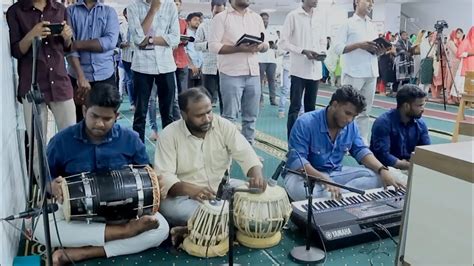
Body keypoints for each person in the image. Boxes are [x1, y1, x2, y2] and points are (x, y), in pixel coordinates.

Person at [34, 83, 169, 266]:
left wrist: (156, 182)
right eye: (94, 116)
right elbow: (46, 181)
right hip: (79, 216)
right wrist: (53, 186)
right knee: (40, 229)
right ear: (84, 110)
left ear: (117, 117)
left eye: (107, 118)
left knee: (161, 229)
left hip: (124, 213)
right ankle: (125, 234)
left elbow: (146, 174)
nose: (99, 123)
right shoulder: (60, 142)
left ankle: (83, 252)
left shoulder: (130, 139)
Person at [155, 87, 267, 226]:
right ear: (184, 115)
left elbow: (246, 153)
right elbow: (164, 177)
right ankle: (222, 219)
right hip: (184, 198)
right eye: (199, 115)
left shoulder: (223, 125)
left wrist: (256, 176)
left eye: (209, 112)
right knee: (173, 209)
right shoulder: (169, 135)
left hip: (222, 190)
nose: (207, 119)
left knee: (259, 202)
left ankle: (200, 225)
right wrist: (190, 189)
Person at [284, 86, 405, 201]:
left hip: (335, 174)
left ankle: (338, 195)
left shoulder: (350, 125)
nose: (350, 120)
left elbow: (361, 150)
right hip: (302, 177)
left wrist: (382, 170)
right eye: (347, 113)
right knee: (307, 193)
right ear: (334, 104)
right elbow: (299, 163)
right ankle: (342, 196)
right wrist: (323, 179)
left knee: (378, 178)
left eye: (354, 116)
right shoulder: (305, 123)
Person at [6, 0, 77, 177]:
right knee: (37, 145)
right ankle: (47, 190)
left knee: (71, 139)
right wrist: (32, 34)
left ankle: (72, 186)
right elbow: (16, 51)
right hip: (32, 84)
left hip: (60, 82)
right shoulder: (16, 11)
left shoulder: (60, 9)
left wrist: (68, 36)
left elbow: (68, 47)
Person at [208, 0, 269, 145]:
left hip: (253, 72)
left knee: (251, 117)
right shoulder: (221, 17)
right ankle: (226, 154)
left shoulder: (256, 18)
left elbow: (266, 43)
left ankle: (248, 152)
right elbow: (213, 46)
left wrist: (260, 46)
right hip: (231, 72)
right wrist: (240, 49)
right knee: (229, 117)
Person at [333, 0, 386, 144]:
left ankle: (361, 143)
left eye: (373, 2)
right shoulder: (348, 24)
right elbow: (338, 48)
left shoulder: (372, 25)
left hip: (371, 72)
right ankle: (342, 141)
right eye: (368, 0)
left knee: (365, 111)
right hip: (353, 72)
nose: (371, 4)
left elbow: (374, 50)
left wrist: (380, 51)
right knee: (347, 110)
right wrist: (359, 45)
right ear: (357, 1)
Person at [127, 0, 180, 142]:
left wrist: (149, 40)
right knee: (140, 114)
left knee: (168, 113)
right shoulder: (133, 6)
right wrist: (153, 10)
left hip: (166, 66)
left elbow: (175, 38)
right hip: (141, 67)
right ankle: (138, 156)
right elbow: (138, 38)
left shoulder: (170, 5)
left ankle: (169, 152)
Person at [66, 0, 120, 122]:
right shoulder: (70, 11)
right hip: (78, 78)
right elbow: (68, 48)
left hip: (105, 76)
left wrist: (77, 44)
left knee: (106, 121)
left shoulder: (109, 12)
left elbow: (109, 42)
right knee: (79, 121)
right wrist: (81, 77)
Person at [280, 0, 327, 138]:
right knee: (295, 108)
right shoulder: (293, 16)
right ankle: (292, 142)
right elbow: (283, 42)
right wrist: (302, 51)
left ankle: (308, 141)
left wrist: (322, 52)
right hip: (298, 70)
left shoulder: (320, 16)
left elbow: (322, 41)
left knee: (311, 109)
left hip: (315, 70)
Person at [370, 84, 430, 171]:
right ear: (406, 106)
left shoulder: (421, 125)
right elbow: (382, 155)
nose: (423, 109)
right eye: (420, 105)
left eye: (423, 105)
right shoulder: (383, 123)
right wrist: (405, 165)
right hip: (383, 169)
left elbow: (426, 152)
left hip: (409, 167)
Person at [195, 0, 226, 111]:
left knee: (225, 98)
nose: (218, 15)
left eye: (220, 13)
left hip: (225, 67)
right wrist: (209, 45)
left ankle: (226, 124)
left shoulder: (229, 26)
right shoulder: (204, 26)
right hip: (209, 68)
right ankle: (207, 124)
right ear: (211, 9)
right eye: (216, 12)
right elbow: (196, 45)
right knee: (207, 99)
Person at [258, 12, 279, 106]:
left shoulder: (273, 30)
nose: (265, 20)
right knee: (259, 81)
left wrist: (274, 45)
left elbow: (277, 43)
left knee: (272, 80)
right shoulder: (256, 30)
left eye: (266, 19)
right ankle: (260, 100)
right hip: (260, 59)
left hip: (271, 59)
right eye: (263, 19)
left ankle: (273, 99)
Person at [392, 31, 415, 95]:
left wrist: (413, 50)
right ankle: (394, 92)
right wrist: (406, 52)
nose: (405, 36)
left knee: (406, 77)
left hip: (408, 61)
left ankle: (404, 91)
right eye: (404, 35)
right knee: (397, 78)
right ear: (401, 36)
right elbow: (399, 49)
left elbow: (411, 49)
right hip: (400, 62)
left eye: (406, 35)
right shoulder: (398, 42)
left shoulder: (409, 42)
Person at [185, 12, 203, 88]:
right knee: (189, 92)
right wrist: (191, 65)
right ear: (188, 22)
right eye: (195, 20)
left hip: (200, 68)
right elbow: (184, 51)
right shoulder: (185, 34)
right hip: (189, 68)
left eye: (199, 20)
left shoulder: (200, 34)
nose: (197, 22)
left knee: (199, 93)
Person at [445, 28, 464, 103]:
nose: (459, 34)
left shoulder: (460, 42)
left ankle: (454, 97)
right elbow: (457, 52)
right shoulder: (451, 42)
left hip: (459, 64)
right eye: (457, 33)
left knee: (455, 81)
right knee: (450, 80)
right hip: (452, 63)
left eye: (460, 33)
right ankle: (448, 97)